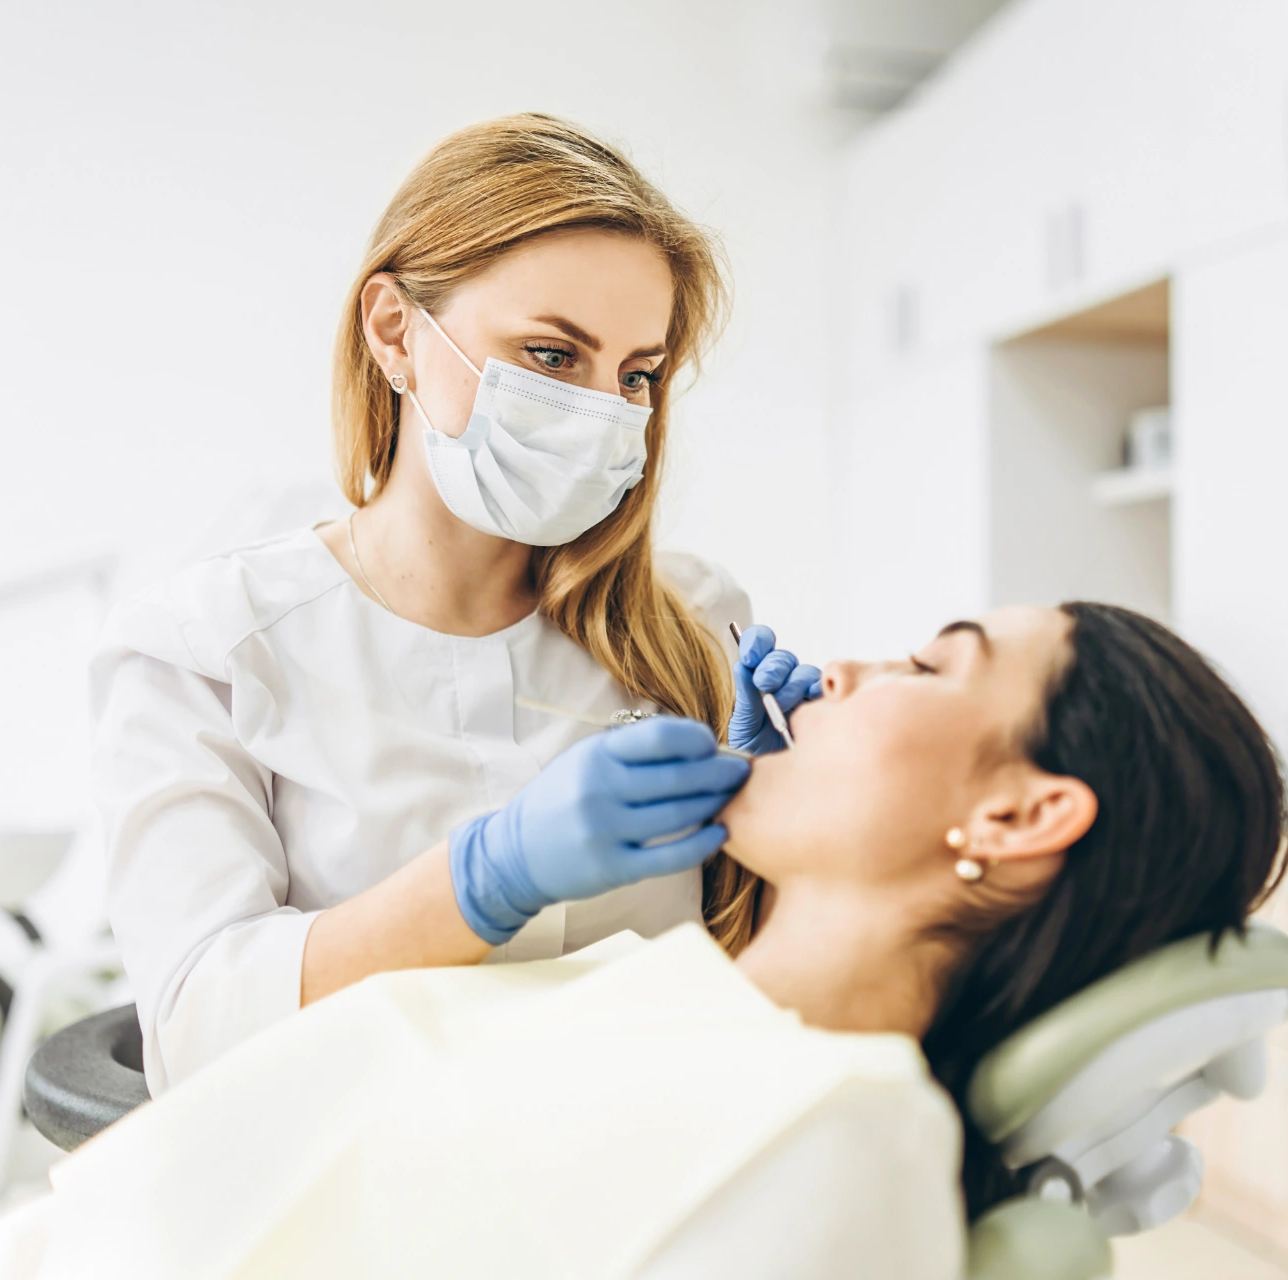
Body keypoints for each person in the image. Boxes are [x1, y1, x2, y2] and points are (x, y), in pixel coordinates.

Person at [0, 602, 1288, 1279]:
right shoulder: (643, 987)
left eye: (932, 665)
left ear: (1021, 810)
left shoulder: (837, 1129)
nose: (841, 672)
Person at [90, 114, 824, 1092]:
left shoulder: (691, 616)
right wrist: (486, 877)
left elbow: (756, 977)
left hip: (644, 1169)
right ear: (395, 330)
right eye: (554, 356)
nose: (606, 410)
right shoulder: (203, 650)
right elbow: (196, 1031)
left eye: (636, 374)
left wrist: (790, 832)